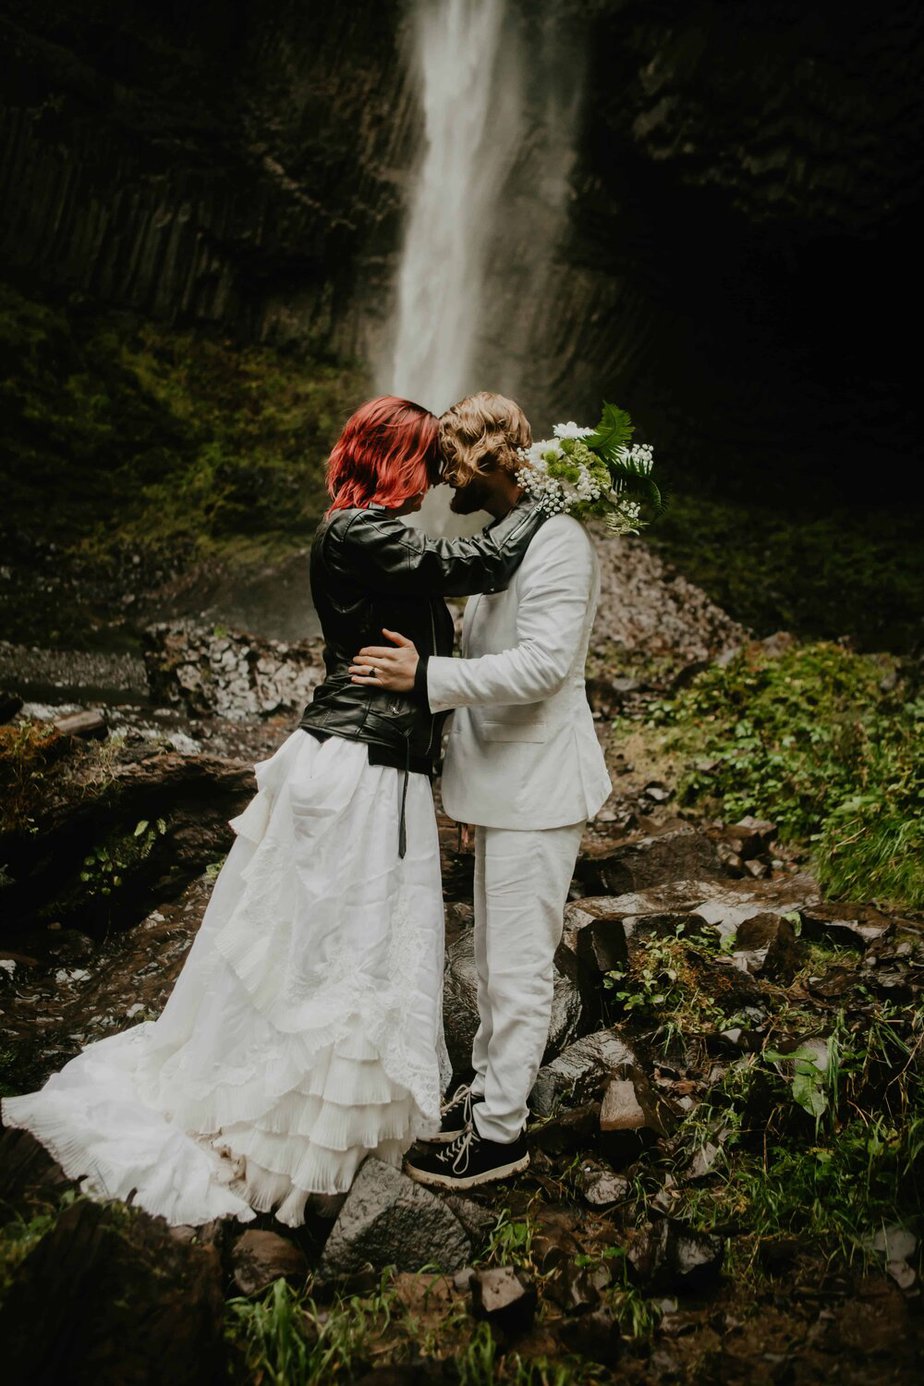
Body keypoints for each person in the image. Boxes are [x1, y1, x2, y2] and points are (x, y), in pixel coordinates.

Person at [1, 396, 546, 1227]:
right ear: (395, 456)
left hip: (377, 763)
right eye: (429, 455)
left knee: (336, 950)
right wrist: (550, 498)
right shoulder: (359, 530)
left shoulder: (373, 531)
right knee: (332, 951)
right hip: (357, 767)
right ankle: (290, 1135)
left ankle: (320, 1128)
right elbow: (471, 567)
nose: (442, 470)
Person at [351, 391, 612, 1190]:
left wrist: (424, 675)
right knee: (496, 963)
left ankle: (499, 1138)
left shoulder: (559, 543)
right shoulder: (506, 539)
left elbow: (542, 669)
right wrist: (467, 791)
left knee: (520, 969)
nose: (440, 479)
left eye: (450, 460)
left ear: (492, 457)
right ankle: (485, 1097)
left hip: (539, 788)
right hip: (502, 790)